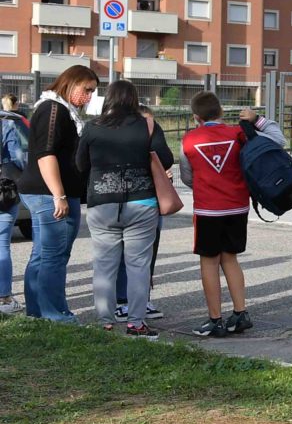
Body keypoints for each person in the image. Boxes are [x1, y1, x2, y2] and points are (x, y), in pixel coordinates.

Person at [179, 91, 285, 338]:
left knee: (209, 261)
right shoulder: (238, 133)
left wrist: (206, 183)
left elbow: (187, 176)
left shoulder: (189, 140)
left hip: (208, 208)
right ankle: (240, 313)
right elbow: (278, 139)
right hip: (237, 206)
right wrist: (257, 120)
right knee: (230, 258)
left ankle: (215, 319)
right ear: (221, 112)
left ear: (196, 117)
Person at [77, 81, 171, 338]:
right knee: (138, 265)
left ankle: (105, 322)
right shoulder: (148, 126)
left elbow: (80, 164)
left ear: (108, 98)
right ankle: (136, 323)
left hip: (102, 203)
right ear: (134, 99)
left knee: (103, 265)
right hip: (142, 203)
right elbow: (166, 159)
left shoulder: (92, 127)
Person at [18, 65, 98, 323]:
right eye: (86, 89)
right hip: (48, 193)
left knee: (44, 254)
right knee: (54, 254)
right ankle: (55, 314)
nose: (89, 96)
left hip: (48, 191)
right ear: (71, 83)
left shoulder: (60, 109)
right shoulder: (54, 109)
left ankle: (38, 312)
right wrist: (59, 195)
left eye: (92, 91)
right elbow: (46, 154)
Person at [113, 105, 171, 321]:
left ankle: (142, 298)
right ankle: (122, 301)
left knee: (148, 253)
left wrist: (163, 173)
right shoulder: (122, 140)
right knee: (123, 254)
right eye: (145, 123)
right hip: (127, 202)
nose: (149, 128)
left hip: (151, 200)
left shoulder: (153, 138)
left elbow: (165, 158)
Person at [0, 97, 28, 315]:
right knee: (2, 244)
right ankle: (3, 298)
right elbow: (19, 159)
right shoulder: (7, 123)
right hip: (3, 192)